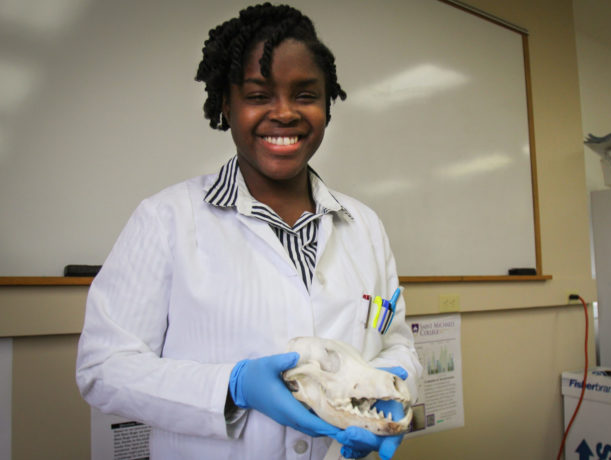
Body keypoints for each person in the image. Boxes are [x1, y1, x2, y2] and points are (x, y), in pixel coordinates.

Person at [75, 3, 421, 460]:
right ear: (226, 104)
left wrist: (391, 389)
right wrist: (231, 386)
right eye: (258, 95)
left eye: (305, 95)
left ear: (327, 105)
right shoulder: (165, 219)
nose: (284, 113)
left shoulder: (365, 227)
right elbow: (104, 368)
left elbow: (396, 342)